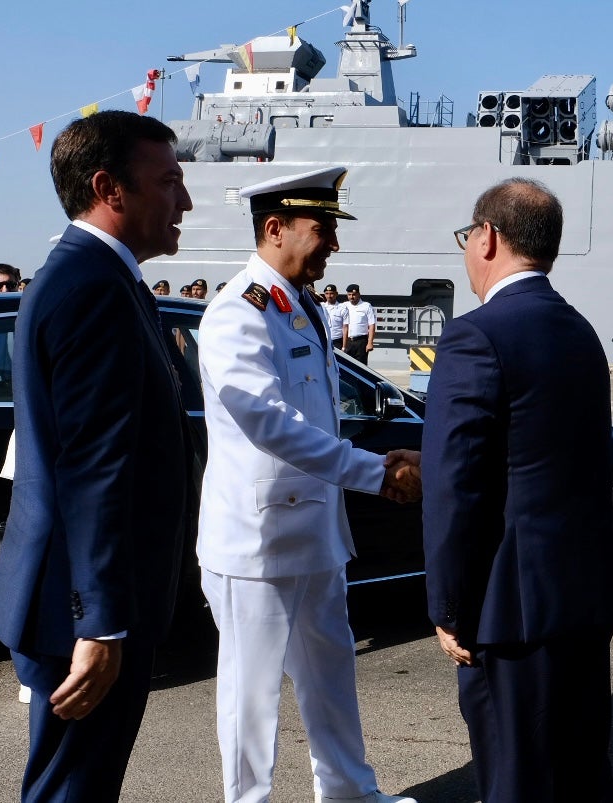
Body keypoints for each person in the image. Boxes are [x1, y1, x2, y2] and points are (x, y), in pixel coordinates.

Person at [0, 110, 196, 802]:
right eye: (168, 181)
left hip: (87, 594)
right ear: (110, 187)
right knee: (71, 789)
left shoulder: (99, 279)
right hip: (87, 604)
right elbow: (93, 469)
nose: (183, 202)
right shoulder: (92, 288)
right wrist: (99, 622)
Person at [196, 166, 417, 803]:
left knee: (330, 669)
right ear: (275, 228)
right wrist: (374, 473)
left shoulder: (300, 307)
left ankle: (349, 790)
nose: (333, 247)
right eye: (322, 230)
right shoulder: (240, 312)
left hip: (316, 529)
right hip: (257, 540)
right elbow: (271, 424)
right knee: (251, 690)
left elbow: (319, 413)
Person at [421, 177, 613, 802]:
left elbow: (455, 485)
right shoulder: (580, 330)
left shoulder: (474, 335)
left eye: (467, 237)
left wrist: (448, 607)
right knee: (581, 774)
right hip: (582, 595)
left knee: (515, 780)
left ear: (488, 237)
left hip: (507, 609)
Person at [341, 283, 376, 363]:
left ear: (358, 294)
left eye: (354, 294)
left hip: (361, 342)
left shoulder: (366, 306)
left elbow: (372, 325)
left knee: (361, 366)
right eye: (349, 295)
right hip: (347, 341)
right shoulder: (344, 306)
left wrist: (370, 343)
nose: (351, 297)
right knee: (347, 365)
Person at [321, 282, 347, 347]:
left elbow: (345, 328)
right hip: (323, 339)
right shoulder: (321, 306)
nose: (329, 296)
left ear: (336, 294)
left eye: (331, 293)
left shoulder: (342, 308)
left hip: (337, 341)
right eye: (327, 294)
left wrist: (344, 346)